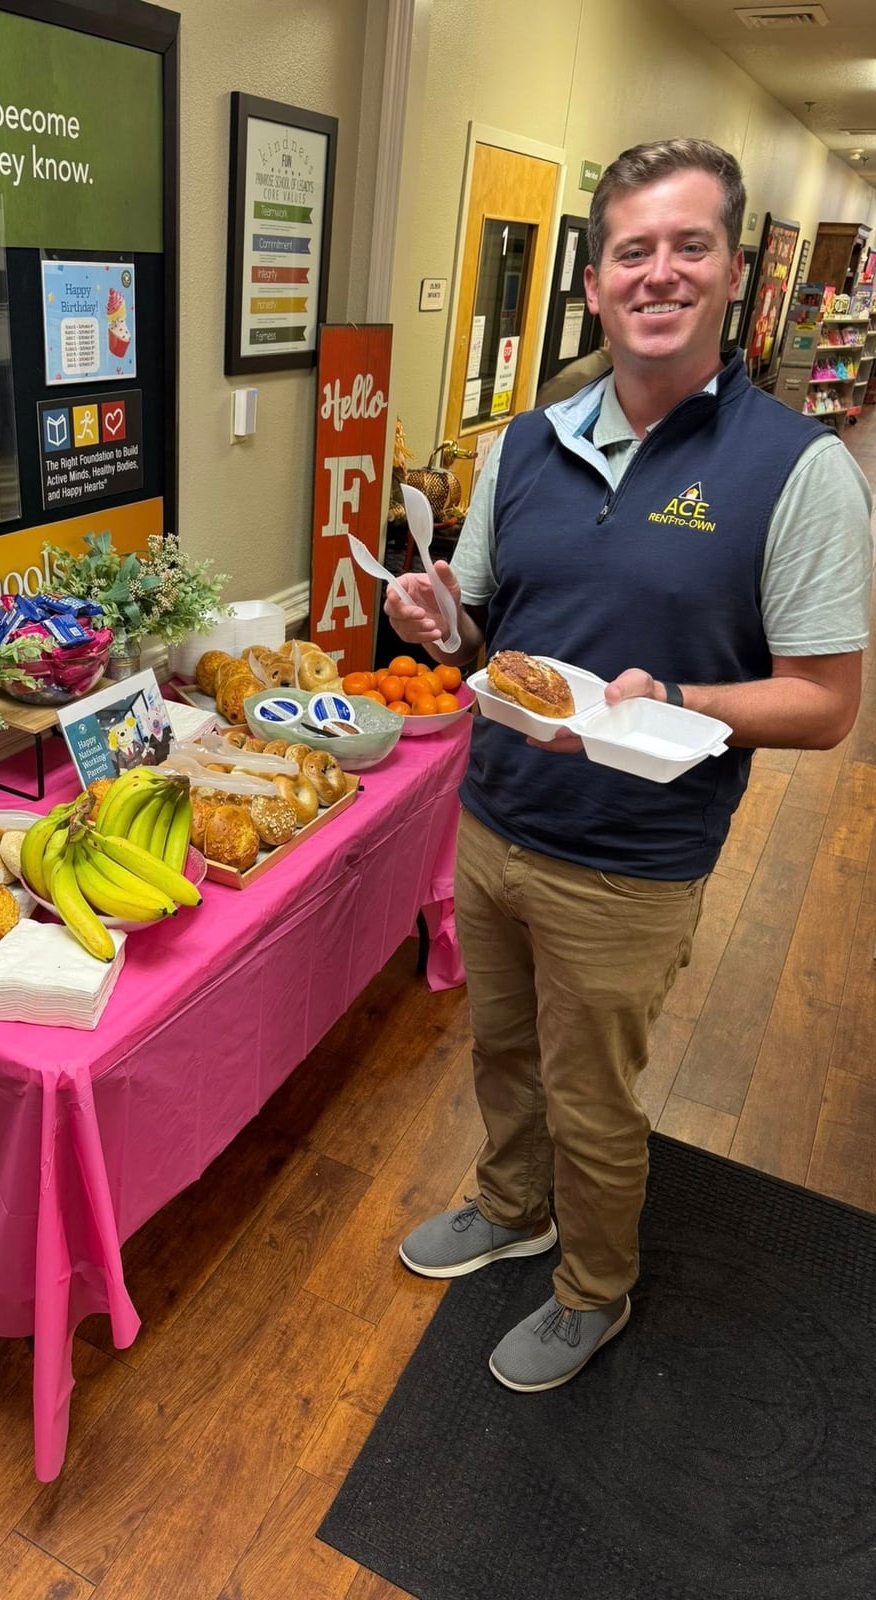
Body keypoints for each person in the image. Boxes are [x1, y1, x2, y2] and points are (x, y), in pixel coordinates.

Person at [385, 138, 872, 1393]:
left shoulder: (799, 470)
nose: (659, 273)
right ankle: (510, 1205)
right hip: (492, 818)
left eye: (688, 246)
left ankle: (593, 1286)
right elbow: (492, 627)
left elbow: (826, 705)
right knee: (497, 1052)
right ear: (594, 282)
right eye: (632, 251)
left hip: (632, 861)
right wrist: (444, 621)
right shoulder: (524, 446)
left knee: (591, 1097)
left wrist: (680, 698)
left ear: (728, 273)